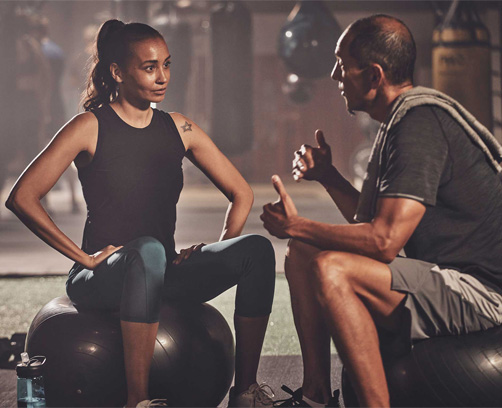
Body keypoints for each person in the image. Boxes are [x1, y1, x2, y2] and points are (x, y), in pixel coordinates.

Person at [6, 19, 276, 408]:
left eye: (166, 65)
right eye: (149, 67)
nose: (162, 76)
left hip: (160, 269)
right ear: (118, 71)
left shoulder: (180, 128)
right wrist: (84, 258)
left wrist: (214, 247)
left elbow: (241, 192)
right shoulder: (88, 126)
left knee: (256, 251)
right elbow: (23, 196)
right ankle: (138, 401)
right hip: (100, 274)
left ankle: (245, 391)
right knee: (147, 251)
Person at [261, 14, 502, 408]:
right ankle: (315, 398)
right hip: (444, 275)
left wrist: (297, 224)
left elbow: (384, 242)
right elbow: (369, 225)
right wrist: (329, 177)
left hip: (483, 292)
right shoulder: (398, 122)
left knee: (331, 268)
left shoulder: (420, 122)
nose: (335, 76)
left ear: (374, 76)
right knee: (303, 253)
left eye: (342, 65)